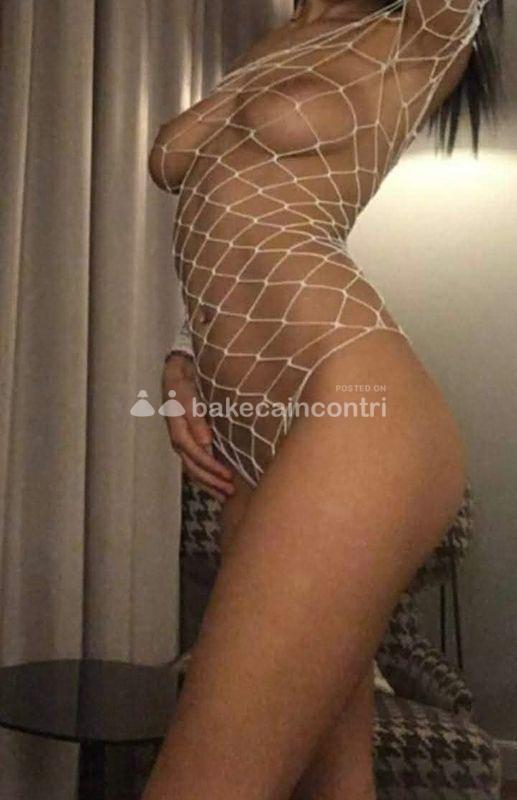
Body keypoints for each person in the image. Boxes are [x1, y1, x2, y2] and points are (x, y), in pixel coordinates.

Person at [145, 1, 503, 798]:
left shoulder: (419, 28)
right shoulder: (275, 37)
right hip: (249, 444)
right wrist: (182, 354)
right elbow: (229, 204)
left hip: (352, 410)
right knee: (335, 787)